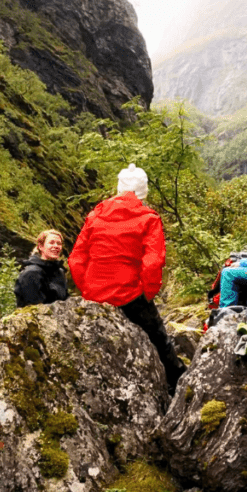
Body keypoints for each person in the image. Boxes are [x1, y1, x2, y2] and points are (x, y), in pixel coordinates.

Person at [69, 164, 186, 394]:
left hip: (94, 296)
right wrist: (148, 293)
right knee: (159, 340)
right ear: (143, 191)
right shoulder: (148, 218)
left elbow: (76, 259)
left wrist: (89, 290)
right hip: (130, 295)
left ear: (119, 188)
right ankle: (179, 384)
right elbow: (152, 262)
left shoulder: (95, 215)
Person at [14, 229, 69, 307]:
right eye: (51, 242)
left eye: (59, 243)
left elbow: (66, 303)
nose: (56, 246)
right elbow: (32, 307)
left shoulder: (60, 272)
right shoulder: (31, 273)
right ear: (40, 247)